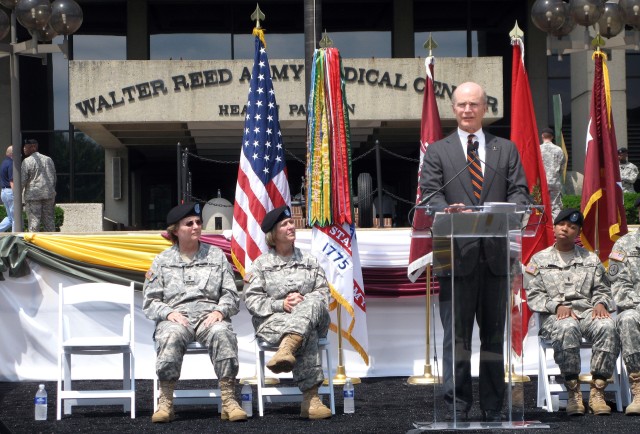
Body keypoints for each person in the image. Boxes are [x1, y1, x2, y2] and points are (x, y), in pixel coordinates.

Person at [419, 81, 531, 422]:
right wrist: (445, 209)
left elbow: (520, 193)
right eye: (462, 105)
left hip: (497, 259)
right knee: (458, 338)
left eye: (474, 104)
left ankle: (495, 405)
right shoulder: (438, 151)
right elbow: (429, 195)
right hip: (455, 257)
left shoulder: (505, 149)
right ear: (453, 108)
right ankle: (458, 404)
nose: (468, 110)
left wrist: (512, 209)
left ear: (485, 108)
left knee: (495, 337)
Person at [143, 202, 247, 423]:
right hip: (177, 317)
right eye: (189, 223)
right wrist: (168, 313)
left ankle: (229, 401)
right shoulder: (162, 260)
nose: (196, 226)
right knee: (169, 335)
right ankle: (166, 402)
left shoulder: (216, 256)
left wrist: (220, 311)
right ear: (175, 230)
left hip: (208, 316)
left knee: (222, 332)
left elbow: (231, 293)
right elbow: (150, 300)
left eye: (198, 222)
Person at [525, 208, 619, 417]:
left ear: (577, 233)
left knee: (608, 325)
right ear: (555, 227)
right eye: (562, 225)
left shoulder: (590, 259)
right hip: (555, 317)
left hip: (587, 313)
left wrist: (601, 303)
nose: (565, 229)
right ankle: (573, 391)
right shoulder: (539, 260)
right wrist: (556, 306)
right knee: (567, 327)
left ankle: (597, 391)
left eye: (572, 227)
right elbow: (533, 295)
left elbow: (603, 289)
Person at [244, 205, 332, 420]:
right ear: (273, 234)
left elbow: (323, 293)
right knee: (306, 331)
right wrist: (281, 304)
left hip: (310, 316)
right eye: (285, 224)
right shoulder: (261, 265)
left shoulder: (309, 261)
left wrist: (302, 303)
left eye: (291, 222)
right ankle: (311, 399)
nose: (291, 226)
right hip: (274, 323)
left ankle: (288, 346)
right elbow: (253, 301)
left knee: (311, 303)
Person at [608, 197, 640, 415]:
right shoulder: (624, 245)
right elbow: (619, 287)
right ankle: (638, 389)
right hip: (635, 306)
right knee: (628, 319)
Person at [21, 139, 56, 232]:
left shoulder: (27, 161)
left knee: (34, 222)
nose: (24, 149)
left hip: (33, 196)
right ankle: (51, 244)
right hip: (48, 195)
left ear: (33, 147)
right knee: (49, 222)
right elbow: (54, 177)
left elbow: (22, 181)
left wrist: (17, 196)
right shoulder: (48, 159)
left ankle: (34, 245)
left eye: (26, 147)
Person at [540, 127, 566, 219]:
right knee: (555, 207)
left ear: (542, 136)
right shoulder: (558, 150)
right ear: (552, 137)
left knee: (540, 206)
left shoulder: (538, 149)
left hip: (541, 183)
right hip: (554, 182)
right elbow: (562, 166)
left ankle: (542, 227)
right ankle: (556, 228)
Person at [0, 146, 14, 232]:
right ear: (13, 154)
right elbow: (12, 181)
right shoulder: (12, 163)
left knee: (10, 218)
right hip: (10, 192)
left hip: (3, 192)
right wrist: (16, 194)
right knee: (16, 219)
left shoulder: (4, 163)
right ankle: (16, 238)